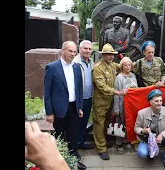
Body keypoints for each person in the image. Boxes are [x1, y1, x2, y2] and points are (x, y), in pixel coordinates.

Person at [44, 40, 86, 169]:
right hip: (59, 109)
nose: (73, 54)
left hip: (73, 107)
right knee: (60, 135)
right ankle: (58, 159)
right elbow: (47, 92)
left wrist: (79, 107)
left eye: (75, 51)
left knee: (73, 134)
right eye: (70, 51)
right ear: (63, 51)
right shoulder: (52, 68)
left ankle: (73, 158)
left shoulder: (76, 67)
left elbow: (79, 89)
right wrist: (49, 112)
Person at [92, 43, 128, 160]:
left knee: (107, 123)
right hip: (100, 103)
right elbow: (102, 87)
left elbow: (124, 66)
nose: (111, 57)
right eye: (108, 55)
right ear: (103, 55)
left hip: (110, 102)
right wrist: (118, 92)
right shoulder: (98, 68)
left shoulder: (113, 66)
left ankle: (104, 141)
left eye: (112, 55)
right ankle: (101, 149)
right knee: (99, 124)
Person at [134, 89, 165, 170]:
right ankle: (151, 153)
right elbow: (136, 128)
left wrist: (162, 135)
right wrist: (143, 131)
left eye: (160, 101)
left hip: (162, 139)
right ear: (151, 102)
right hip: (147, 139)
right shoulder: (141, 113)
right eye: (156, 101)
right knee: (142, 153)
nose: (159, 103)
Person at [72, 40, 95, 150]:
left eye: (90, 49)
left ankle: (81, 142)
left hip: (89, 98)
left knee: (84, 122)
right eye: (85, 48)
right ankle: (73, 146)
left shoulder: (91, 62)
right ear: (80, 49)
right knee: (75, 123)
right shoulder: (75, 62)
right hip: (78, 99)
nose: (88, 51)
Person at [113, 57, 138, 152]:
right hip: (121, 104)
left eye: (129, 65)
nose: (127, 67)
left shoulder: (133, 76)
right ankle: (119, 143)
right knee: (120, 122)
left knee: (129, 122)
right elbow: (116, 93)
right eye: (125, 65)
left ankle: (127, 141)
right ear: (122, 66)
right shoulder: (119, 78)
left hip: (131, 104)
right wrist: (116, 109)